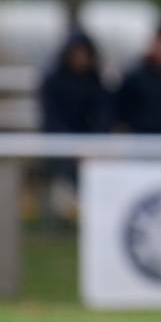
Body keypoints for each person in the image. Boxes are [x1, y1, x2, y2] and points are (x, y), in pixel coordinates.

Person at [38, 28, 114, 216]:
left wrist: (93, 144)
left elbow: (103, 117)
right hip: (60, 146)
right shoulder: (54, 82)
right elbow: (51, 120)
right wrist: (71, 146)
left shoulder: (96, 82)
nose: (80, 58)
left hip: (92, 148)